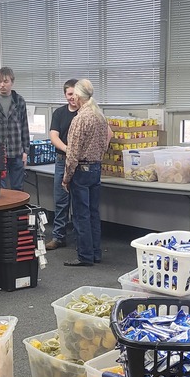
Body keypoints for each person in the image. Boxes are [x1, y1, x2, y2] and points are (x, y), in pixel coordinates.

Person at [61, 79, 108, 267]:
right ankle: (96, 253)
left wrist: (66, 177)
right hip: (96, 168)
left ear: (79, 96)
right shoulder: (100, 117)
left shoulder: (79, 119)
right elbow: (104, 145)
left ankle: (85, 256)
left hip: (81, 171)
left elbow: (72, 154)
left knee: (81, 216)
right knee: (94, 213)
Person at [0, 66, 29, 190]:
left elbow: (24, 127)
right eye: (0, 81)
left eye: (5, 81)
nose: (2, 85)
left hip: (16, 151)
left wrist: (25, 151)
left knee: (18, 189)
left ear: (12, 82)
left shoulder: (19, 101)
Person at [46, 79, 79, 250]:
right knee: (61, 200)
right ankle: (58, 237)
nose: (72, 97)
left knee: (80, 202)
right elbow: (54, 136)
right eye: (69, 94)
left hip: (81, 163)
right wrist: (68, 149)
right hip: (62, 161)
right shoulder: (59, 113)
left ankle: (81, 239)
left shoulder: (86, 113)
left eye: (75, 94)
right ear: (65, 95)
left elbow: (107, 132)